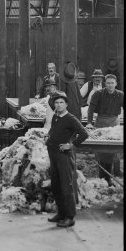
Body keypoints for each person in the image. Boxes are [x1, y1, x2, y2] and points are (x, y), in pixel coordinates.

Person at [45, 92, 88, 228]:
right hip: (53, 154)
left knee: (66, 186)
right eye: (56, 103)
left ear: (66, 104)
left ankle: (70, 217)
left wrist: (71, 145)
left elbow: (84, 133)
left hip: (64, 156)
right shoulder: (56, 117)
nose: (58, 105)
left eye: (61, 102)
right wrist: (48, 137)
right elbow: (53, 130)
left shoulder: (70, 118)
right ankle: (61, 213)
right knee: (56, 185)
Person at [86, 74, 124, 184]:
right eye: (108, 83)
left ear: (116, 84)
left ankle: (111, 176)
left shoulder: (120, 95)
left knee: (113, 151)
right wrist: (89, 123)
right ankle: (102, 178)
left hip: (114, 124)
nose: (110, 85)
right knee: (101, 150)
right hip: (101, 123)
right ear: (105, 83)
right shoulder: (98, 94)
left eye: (112, 83)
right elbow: (91, 109)